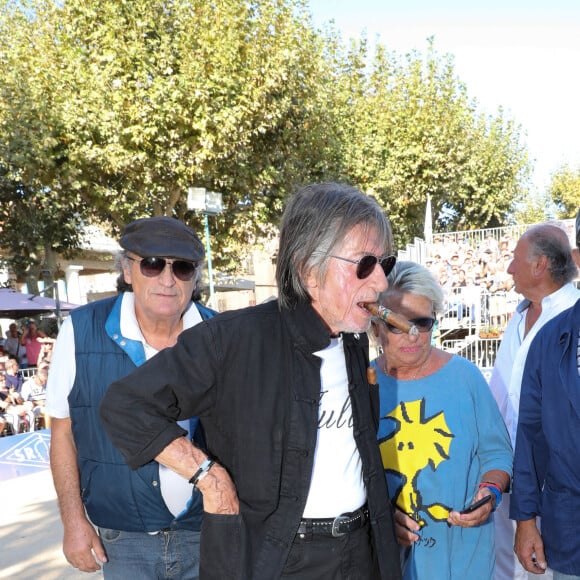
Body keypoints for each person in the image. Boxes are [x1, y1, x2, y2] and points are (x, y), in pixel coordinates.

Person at [101, 182, 403, 580]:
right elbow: (125, 405)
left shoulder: (352, 343)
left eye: (386, 264)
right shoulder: (232, 339)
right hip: (275, 562)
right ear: (308, 270)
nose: (381, 282)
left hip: (360, 552)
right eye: (364, 265)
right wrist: (209, 477)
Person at [46, 216, 215, 578]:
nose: (168, 280)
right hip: (123, 542)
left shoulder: (220, 334)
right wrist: (74, 522)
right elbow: (62, 432)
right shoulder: (81, 330)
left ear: (196, 277)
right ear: (127, 269)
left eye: (182, 268)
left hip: (208, 535)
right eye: (152, 265)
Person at [370, 261, 512, 580]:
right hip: (386, 563)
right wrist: (376, 515)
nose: (413, 334)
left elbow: (498, 453)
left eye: (422, 322)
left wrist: (490, 492)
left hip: (464, 561)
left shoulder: (466, 377)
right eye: (398, 323)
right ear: (376, 326)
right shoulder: (363, 384)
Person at [489, 223, 580, 580]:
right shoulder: (519, 315)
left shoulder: (567, 319)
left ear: (540, 264)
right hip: (509, 470)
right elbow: (508, 400)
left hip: (554, 488)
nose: (510, 267)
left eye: (515, 259)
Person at [20, 365, 50, 430]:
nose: (43, 383)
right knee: (48, 411)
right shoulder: (27, 385)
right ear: (36, 377)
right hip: (34, 406)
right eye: (42, 381)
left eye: (45, 381)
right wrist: (38, 403)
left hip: (47, 404)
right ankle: (49, 432)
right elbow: (23, 401)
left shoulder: (47, 383)